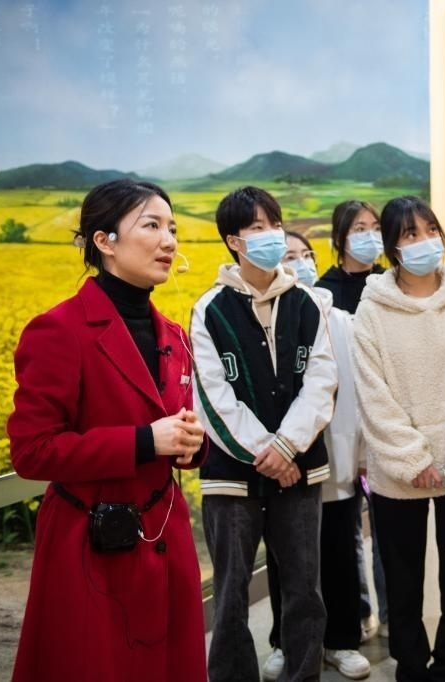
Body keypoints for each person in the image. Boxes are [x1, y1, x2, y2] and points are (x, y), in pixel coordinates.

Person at [7, 179, 207, 681]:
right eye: (151, 226)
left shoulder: (173, 335)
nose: (169, 241)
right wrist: (145, 441)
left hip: (164, 535)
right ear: (105, 241)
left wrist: (190, 444)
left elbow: (176, 424)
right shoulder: (59, 330)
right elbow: (32, 451)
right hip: (91, 541)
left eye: (173, 228)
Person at [352, 195, 445, 681]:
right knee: (402, 578)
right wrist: (409, 458)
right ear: (392, 246)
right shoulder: (372, 311)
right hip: (400, 473)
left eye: (430, 230)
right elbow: (372, 393)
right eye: (410, 234)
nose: (424, 241)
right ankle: (411, 665)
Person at [192, 186, 337, 682]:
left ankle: (303, 673)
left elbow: (322, 381)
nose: (272, 234)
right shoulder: (209, 308)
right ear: (233, 241)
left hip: (300, 468)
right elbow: (213, 396)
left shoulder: (307, 303)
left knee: (304, 588)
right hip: (232, 476)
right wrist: (269, 452)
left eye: (274, 224)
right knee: (230, 593)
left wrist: (286, 446)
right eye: (257, 227)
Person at [264, 231, 372, 680]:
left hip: (337, 453)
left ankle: (342, 639)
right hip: (287, 458)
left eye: (307, 254)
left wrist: (362, 452)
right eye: (290, 256)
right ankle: (284, 640)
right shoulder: (268, 316)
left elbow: (360, 391)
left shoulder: (340, 320)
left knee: (339, 551)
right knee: (285, 557)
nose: (302, 263)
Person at [314, 199, 390, 646]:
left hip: (387, 422)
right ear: (340, 237)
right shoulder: (323, 291)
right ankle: (358, 610)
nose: (369, 235)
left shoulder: (390, 284)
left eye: (375, 226)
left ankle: (393, 613)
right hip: (342, 423)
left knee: (388, 526)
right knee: (346, 528)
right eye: (359, 228)